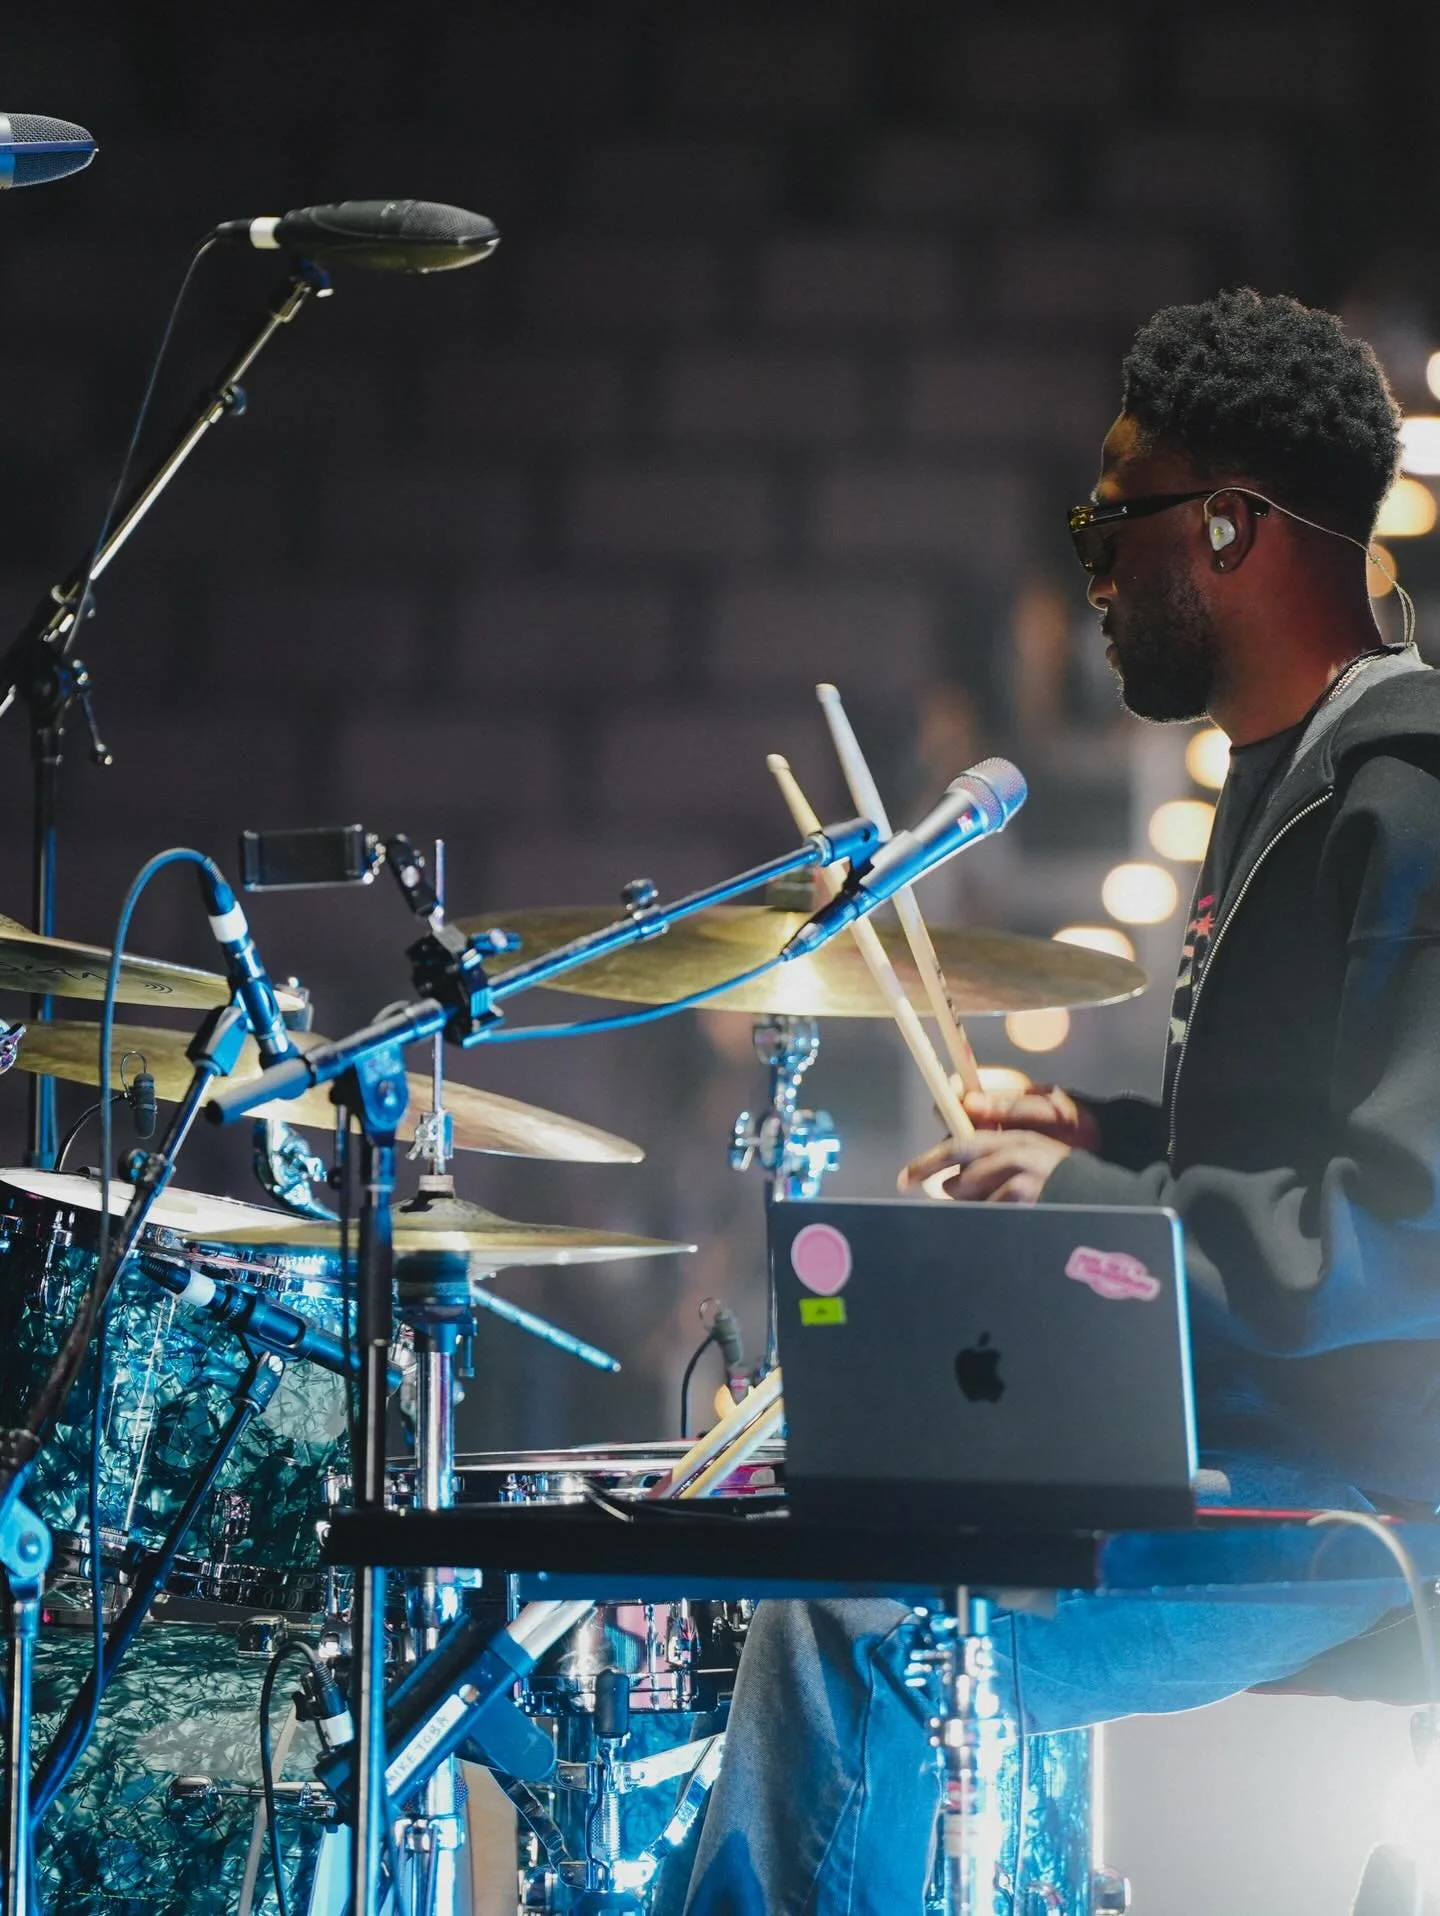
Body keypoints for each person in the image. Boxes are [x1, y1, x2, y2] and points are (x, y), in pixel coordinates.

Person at [678, 287, 1440, 1915]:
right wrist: (1103, 1140)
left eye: (1115, 513)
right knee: (828, 1541)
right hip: (1254, 1450)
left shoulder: (1407, 801)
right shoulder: (1290, 776)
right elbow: (1280, 1162)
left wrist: (1086, 1214)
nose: (1090, 560)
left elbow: (1401, 1234)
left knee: (857, 1624)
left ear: (1233, 527)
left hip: (1368, 1497)